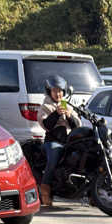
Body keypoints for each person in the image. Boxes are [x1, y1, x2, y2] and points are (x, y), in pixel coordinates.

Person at [36, 75, 80, 206]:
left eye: (60, 90)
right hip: (52, 142)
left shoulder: (67, 105)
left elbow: (77, 125)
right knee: (54, 155)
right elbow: (46, 125)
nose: (58, 93)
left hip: (68, 141)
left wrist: (69, 115)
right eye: (55, 90)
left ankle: (90, 193)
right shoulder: (45, 106)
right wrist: (56, 113)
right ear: (49, 91)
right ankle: (45, 189)